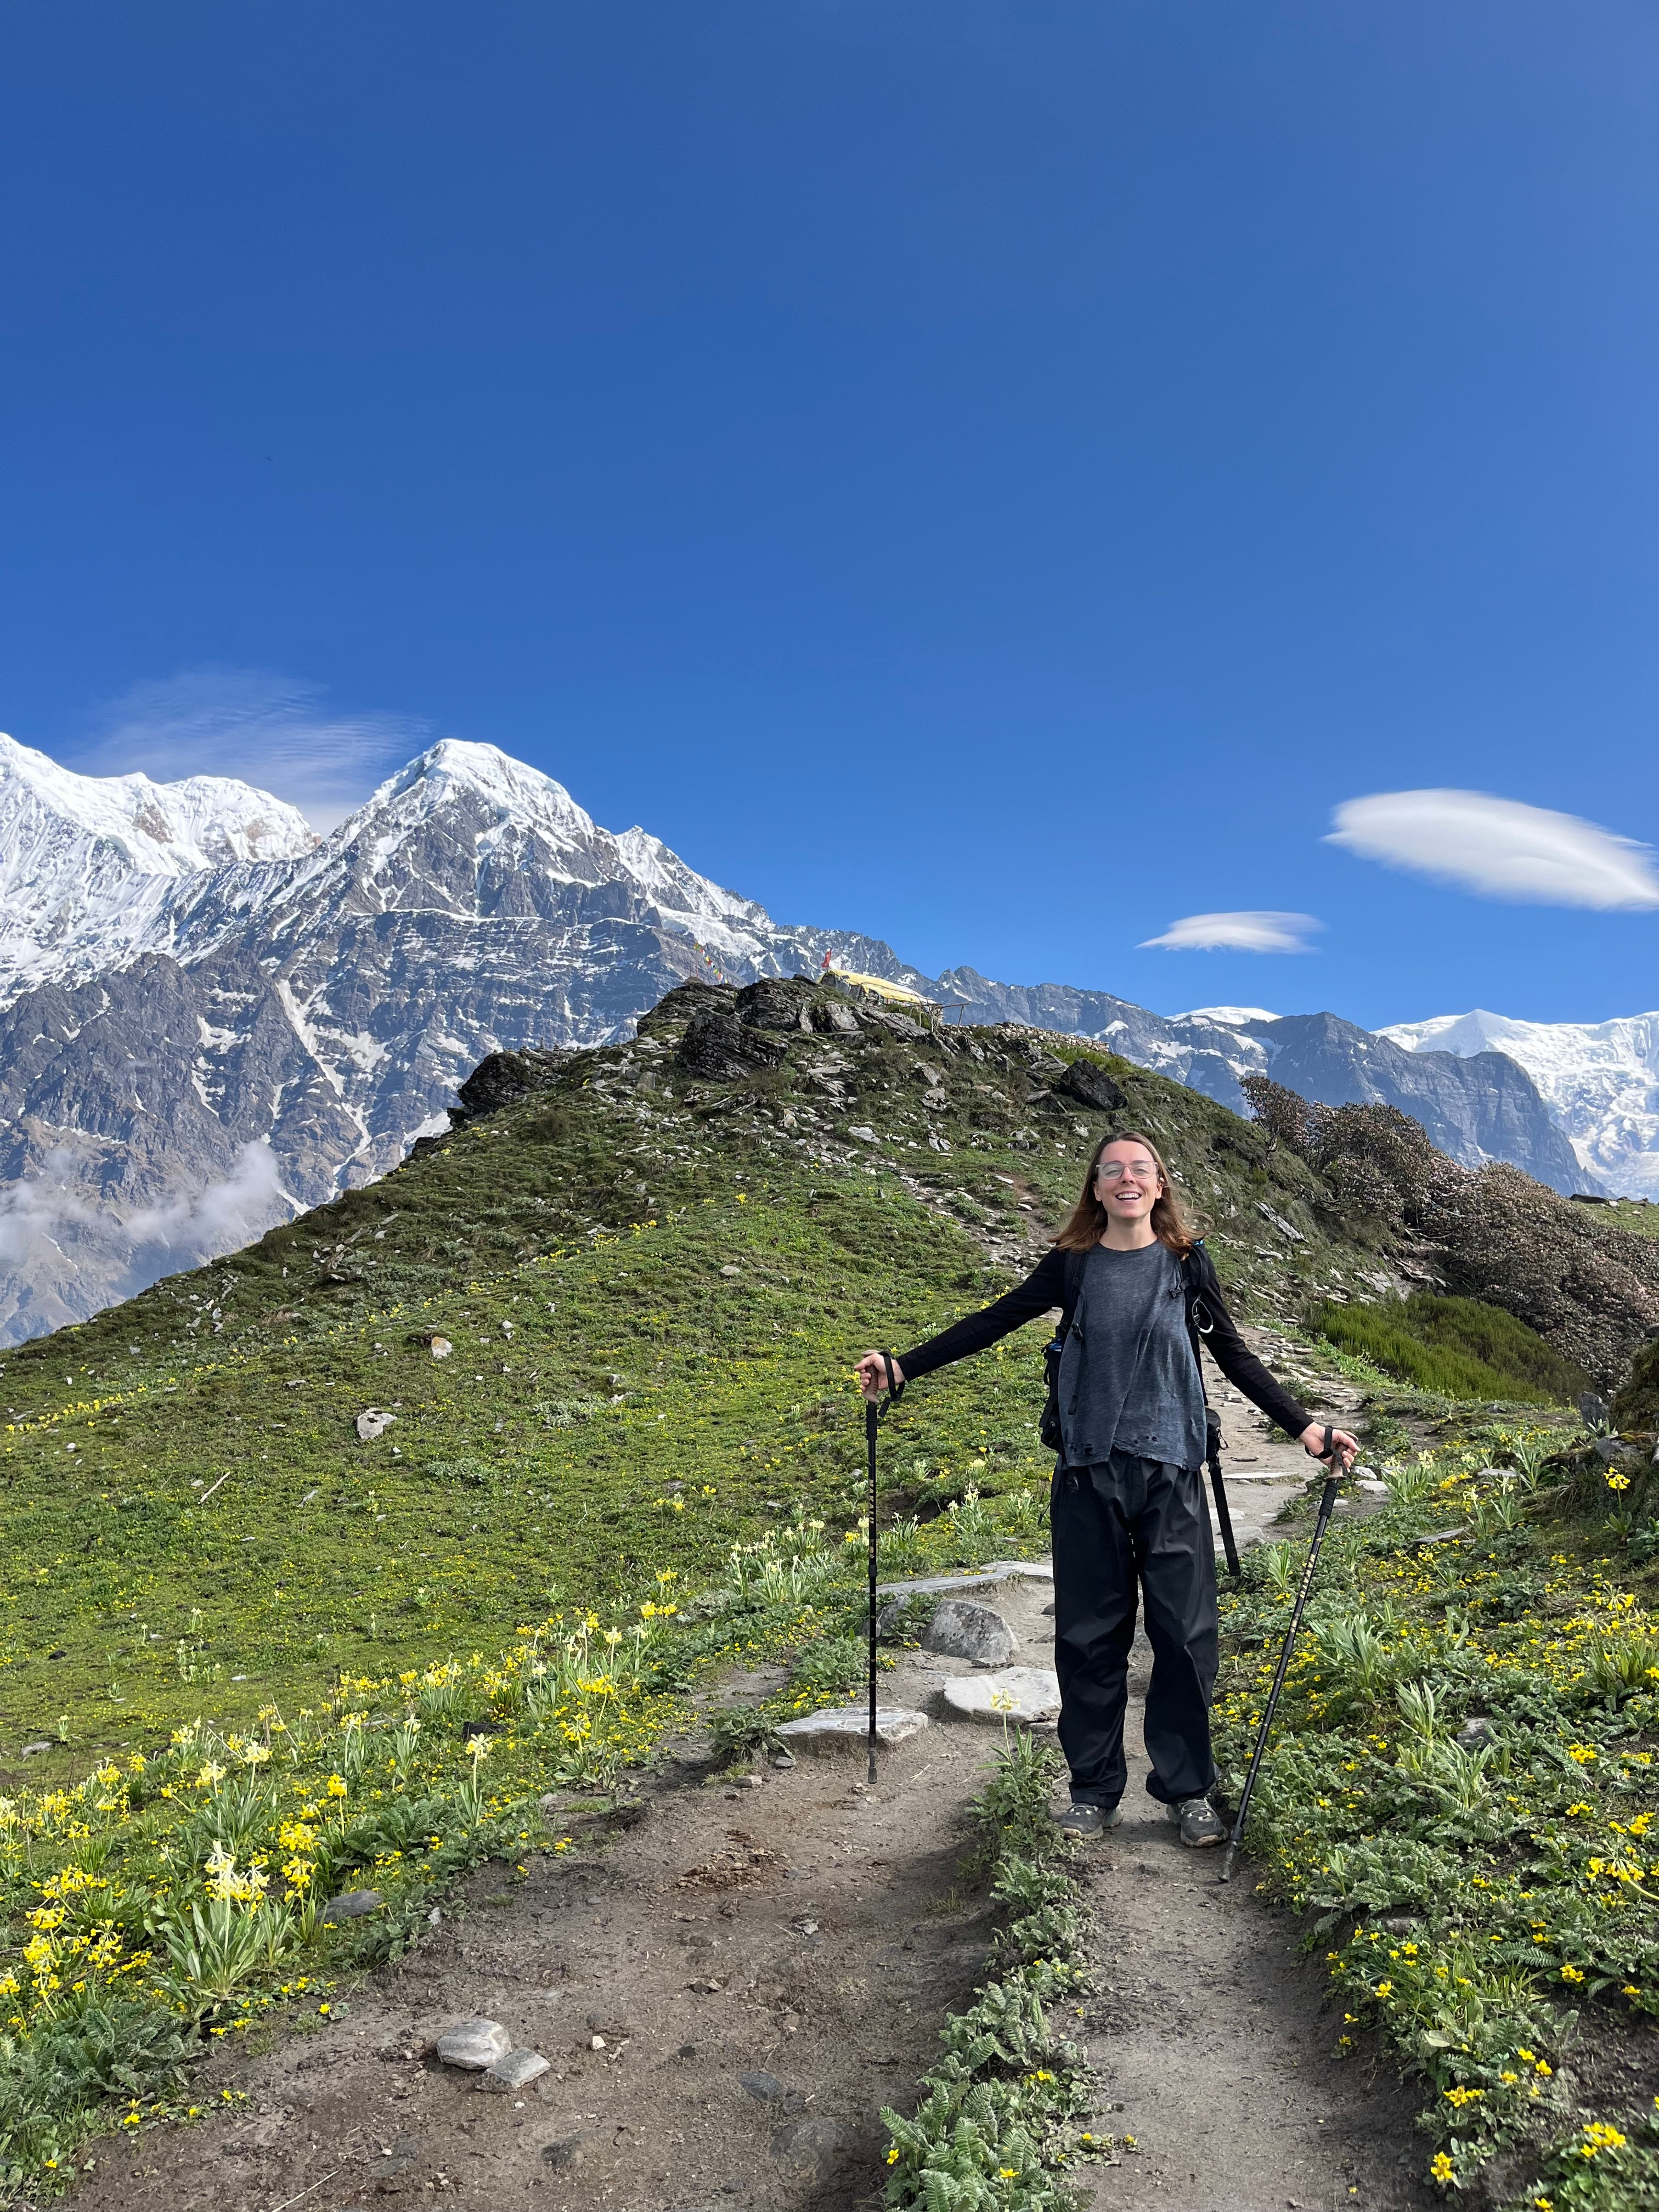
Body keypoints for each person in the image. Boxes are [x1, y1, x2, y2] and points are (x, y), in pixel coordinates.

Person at [856, 1131, 1357, 1846]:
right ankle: (1093, 1793)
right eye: (1112, 1171)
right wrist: (904, 1367)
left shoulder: (1187, 1266)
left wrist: (1305, 1429)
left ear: (1160, 1187)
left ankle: (1188, 1791)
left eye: (1141, 1169)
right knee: (1089, 1639)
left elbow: (1234, 1354)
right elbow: (993, 1322)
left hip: (1173, 1471)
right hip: (1089, 1473)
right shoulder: (1073, 1267)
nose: (1127, 1179)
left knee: (1185, 1640)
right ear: (1095, 1189)